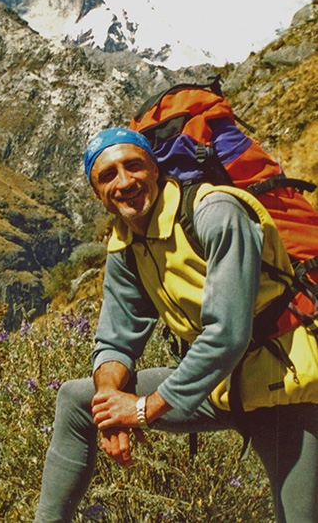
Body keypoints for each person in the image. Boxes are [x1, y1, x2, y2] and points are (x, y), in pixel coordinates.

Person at [33, 127, 318, 523]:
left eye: (134, 166)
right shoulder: (125, 246)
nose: (125, 181)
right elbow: (116, 339)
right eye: (108, 176)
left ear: (156, 169)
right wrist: (111, 402)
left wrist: (145, 409)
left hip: (286, 387)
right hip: (218, 388)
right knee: (78, 400)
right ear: (98, 195)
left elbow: (227, 335)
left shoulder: (215, 213)